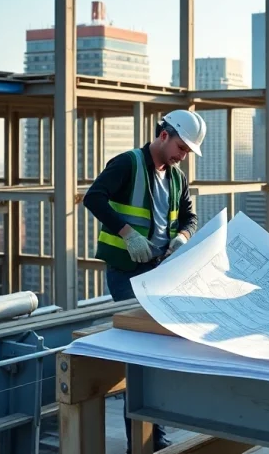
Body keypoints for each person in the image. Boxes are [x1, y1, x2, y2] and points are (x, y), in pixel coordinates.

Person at [83, 109, 205, 453]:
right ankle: (144, 441)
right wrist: (127, 234)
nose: (183, 156)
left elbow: (190, 217)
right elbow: (94, 197)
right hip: (126, 270)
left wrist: (182, 237)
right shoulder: (128, 164)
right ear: (164, 135)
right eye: (181, 148)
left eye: (188, 151)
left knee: (154, 349)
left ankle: (152, 436)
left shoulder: (177, 178)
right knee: (141, 351)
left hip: (159, 271)